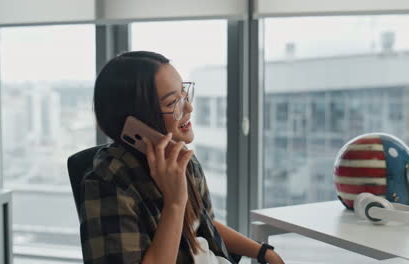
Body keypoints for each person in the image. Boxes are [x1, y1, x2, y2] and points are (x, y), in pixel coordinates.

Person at [80, 51, 285, 264]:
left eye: (183, 94)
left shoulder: (182, 160)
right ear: (136, 120)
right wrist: (175, 202)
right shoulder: (108, 182)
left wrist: (264, 252)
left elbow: (204, 224)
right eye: (172, 103)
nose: (189, 107)